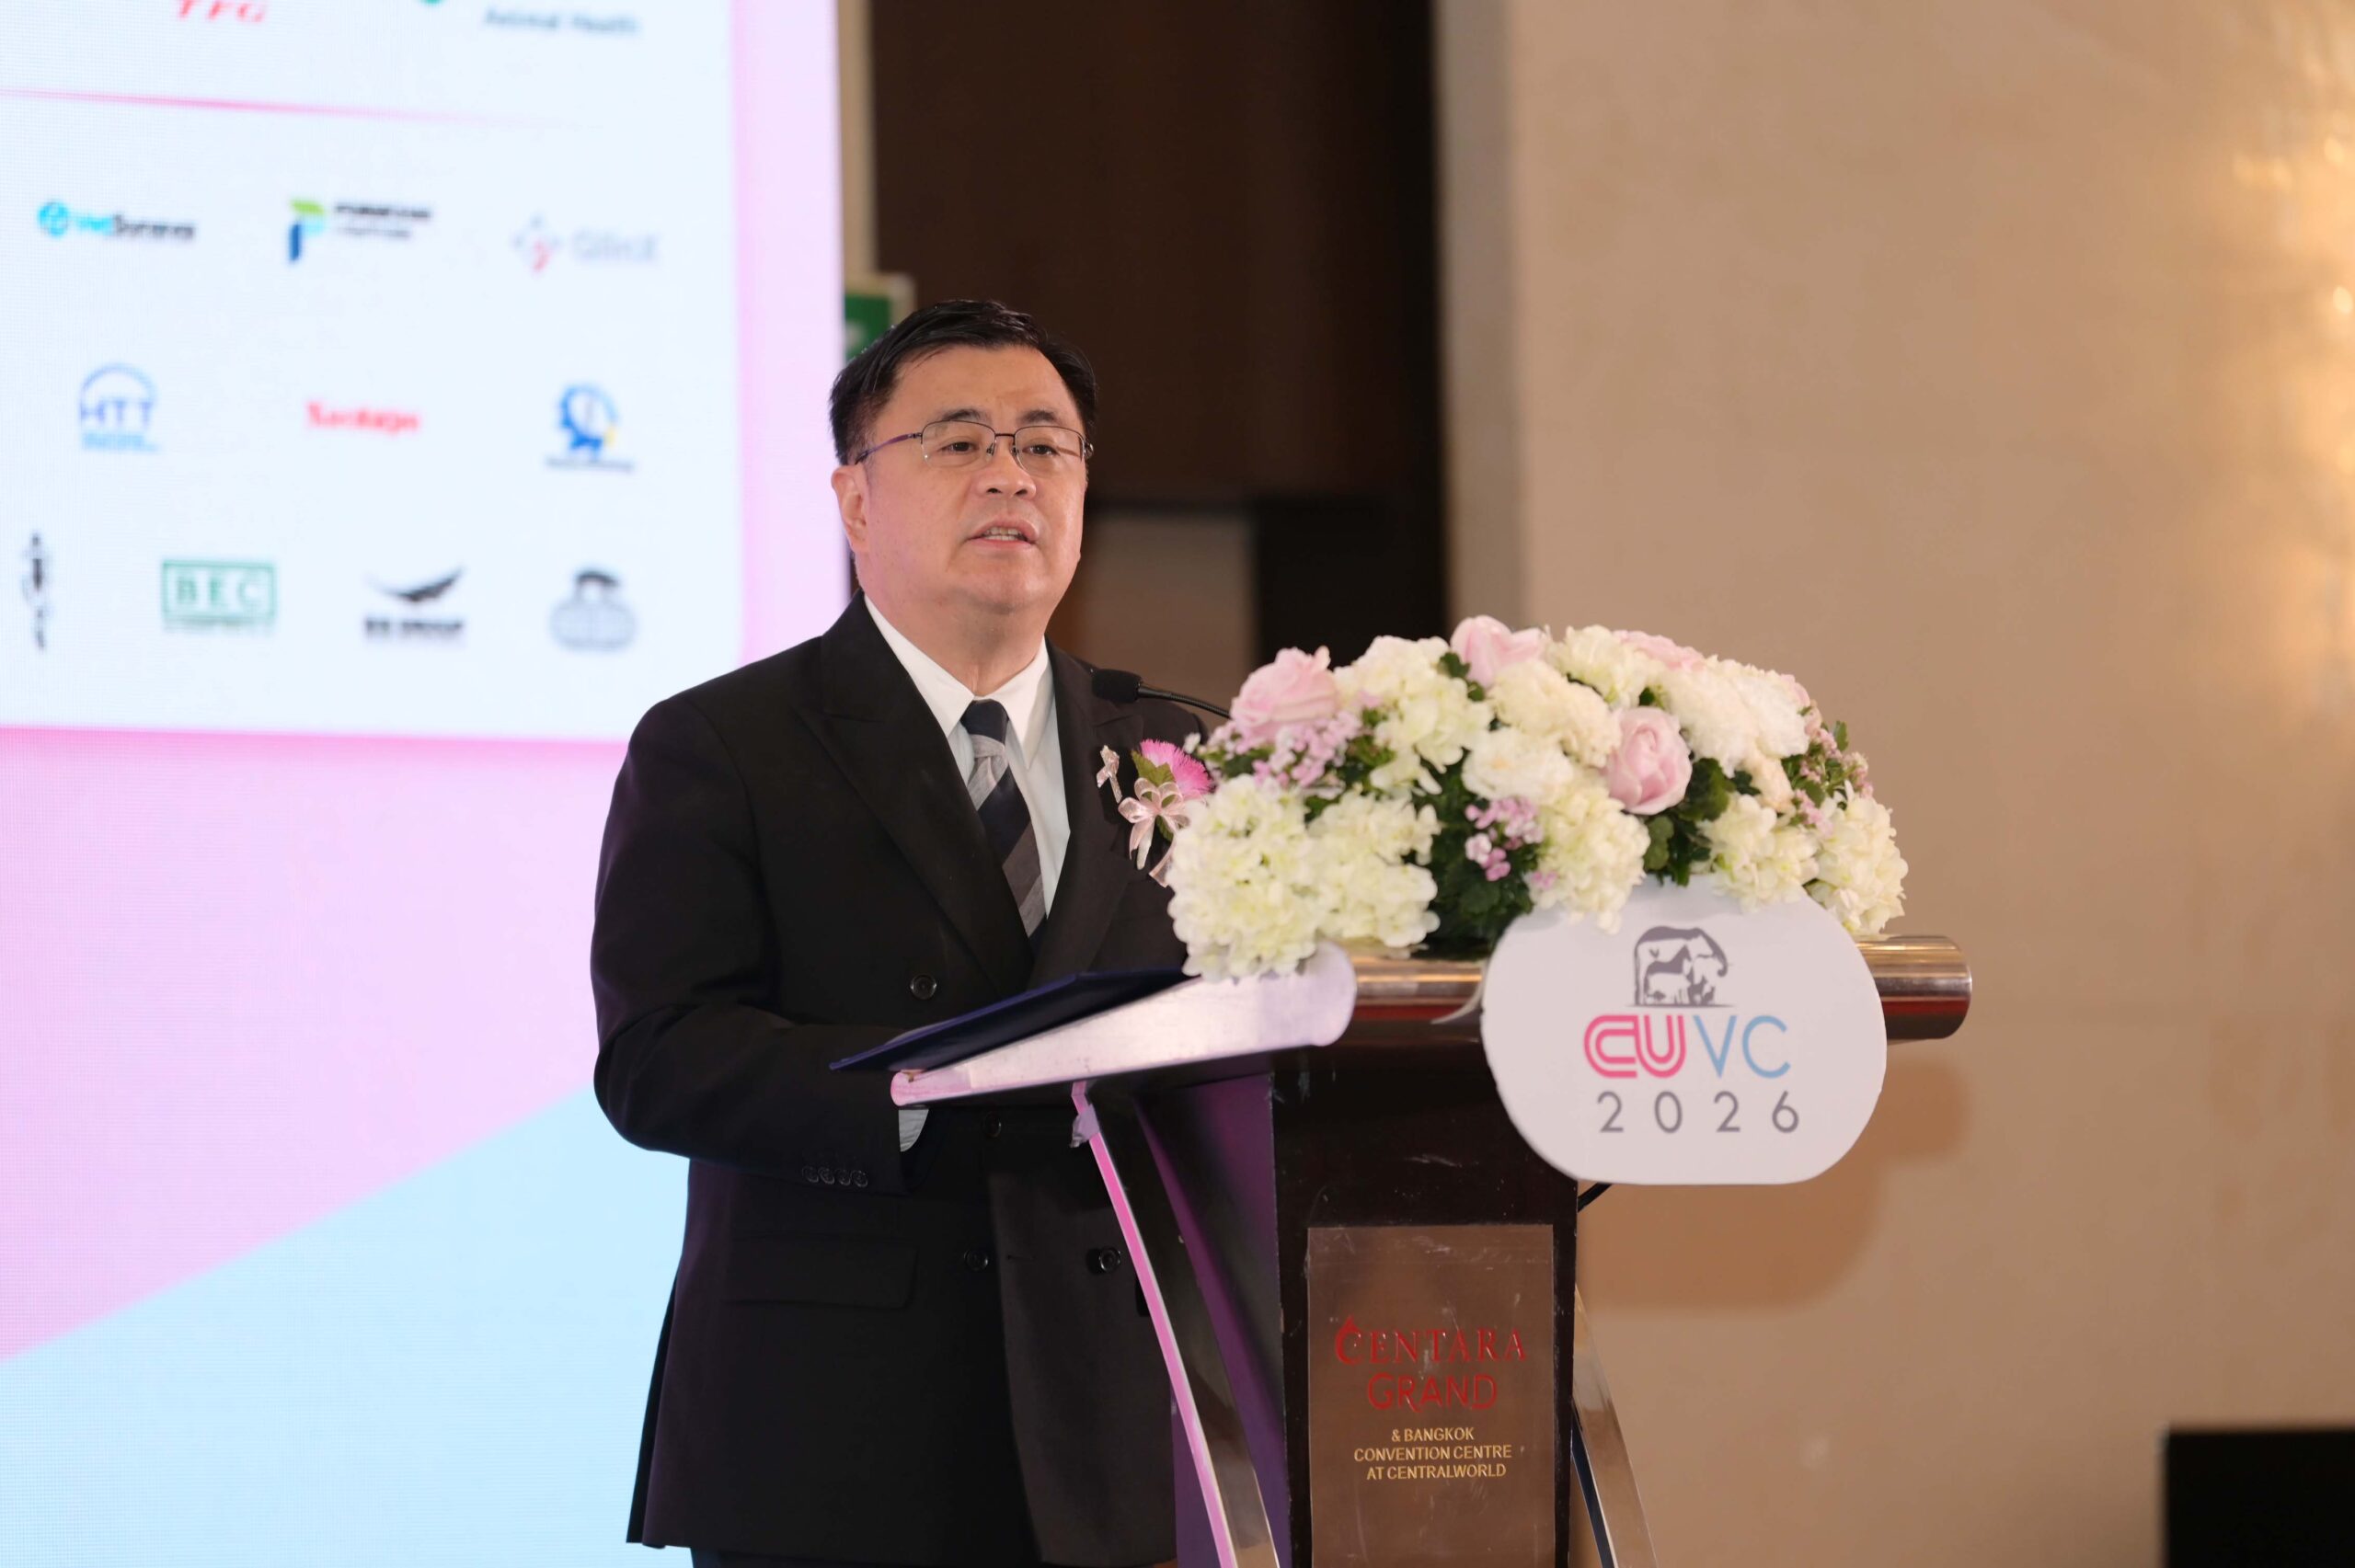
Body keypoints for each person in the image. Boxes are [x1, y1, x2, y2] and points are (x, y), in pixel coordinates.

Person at [591, 300, 1199, 1568]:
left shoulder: (1185, 750)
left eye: (1046, 445)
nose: (1010, 475)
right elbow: (658, 1058)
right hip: (837, 1427)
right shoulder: (725, 744)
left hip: (1119, 1429)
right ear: (855, 501)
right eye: (959, 441)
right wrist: (935, 1084)